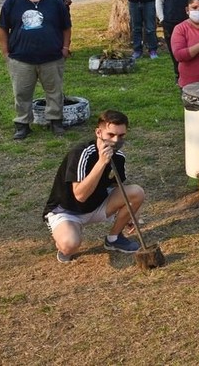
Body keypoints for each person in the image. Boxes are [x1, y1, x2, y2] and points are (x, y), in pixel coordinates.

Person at [42, 110, 144, 263]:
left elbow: (118, 187)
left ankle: (114, 238)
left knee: (137, 192)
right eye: (111, 135)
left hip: (97, 206)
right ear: (98, 132)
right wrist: (101, 163)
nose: (116, 141)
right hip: (67, 211)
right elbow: (80, 196)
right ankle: (64, 241)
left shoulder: (118, 157)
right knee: (70, 245)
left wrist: (131, 211)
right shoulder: (80, 154)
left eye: (121, 136)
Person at [0, 0, 72, 139]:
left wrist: (65, 48)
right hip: (21, 58)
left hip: (52, 57)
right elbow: (3, 28)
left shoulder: (54, 0)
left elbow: (66, 27)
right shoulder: (12, 1)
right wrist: (5, 52)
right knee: (22, 93)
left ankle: (55, 121)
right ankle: (22, 124)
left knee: (54, 91)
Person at [156, 0, 199, 80]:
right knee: (174, 50)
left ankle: (192, 73)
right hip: (170, 22)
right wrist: (162, 19)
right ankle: (179, 74)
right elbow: (159, 1)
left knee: (190, 49)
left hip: (189, 22)